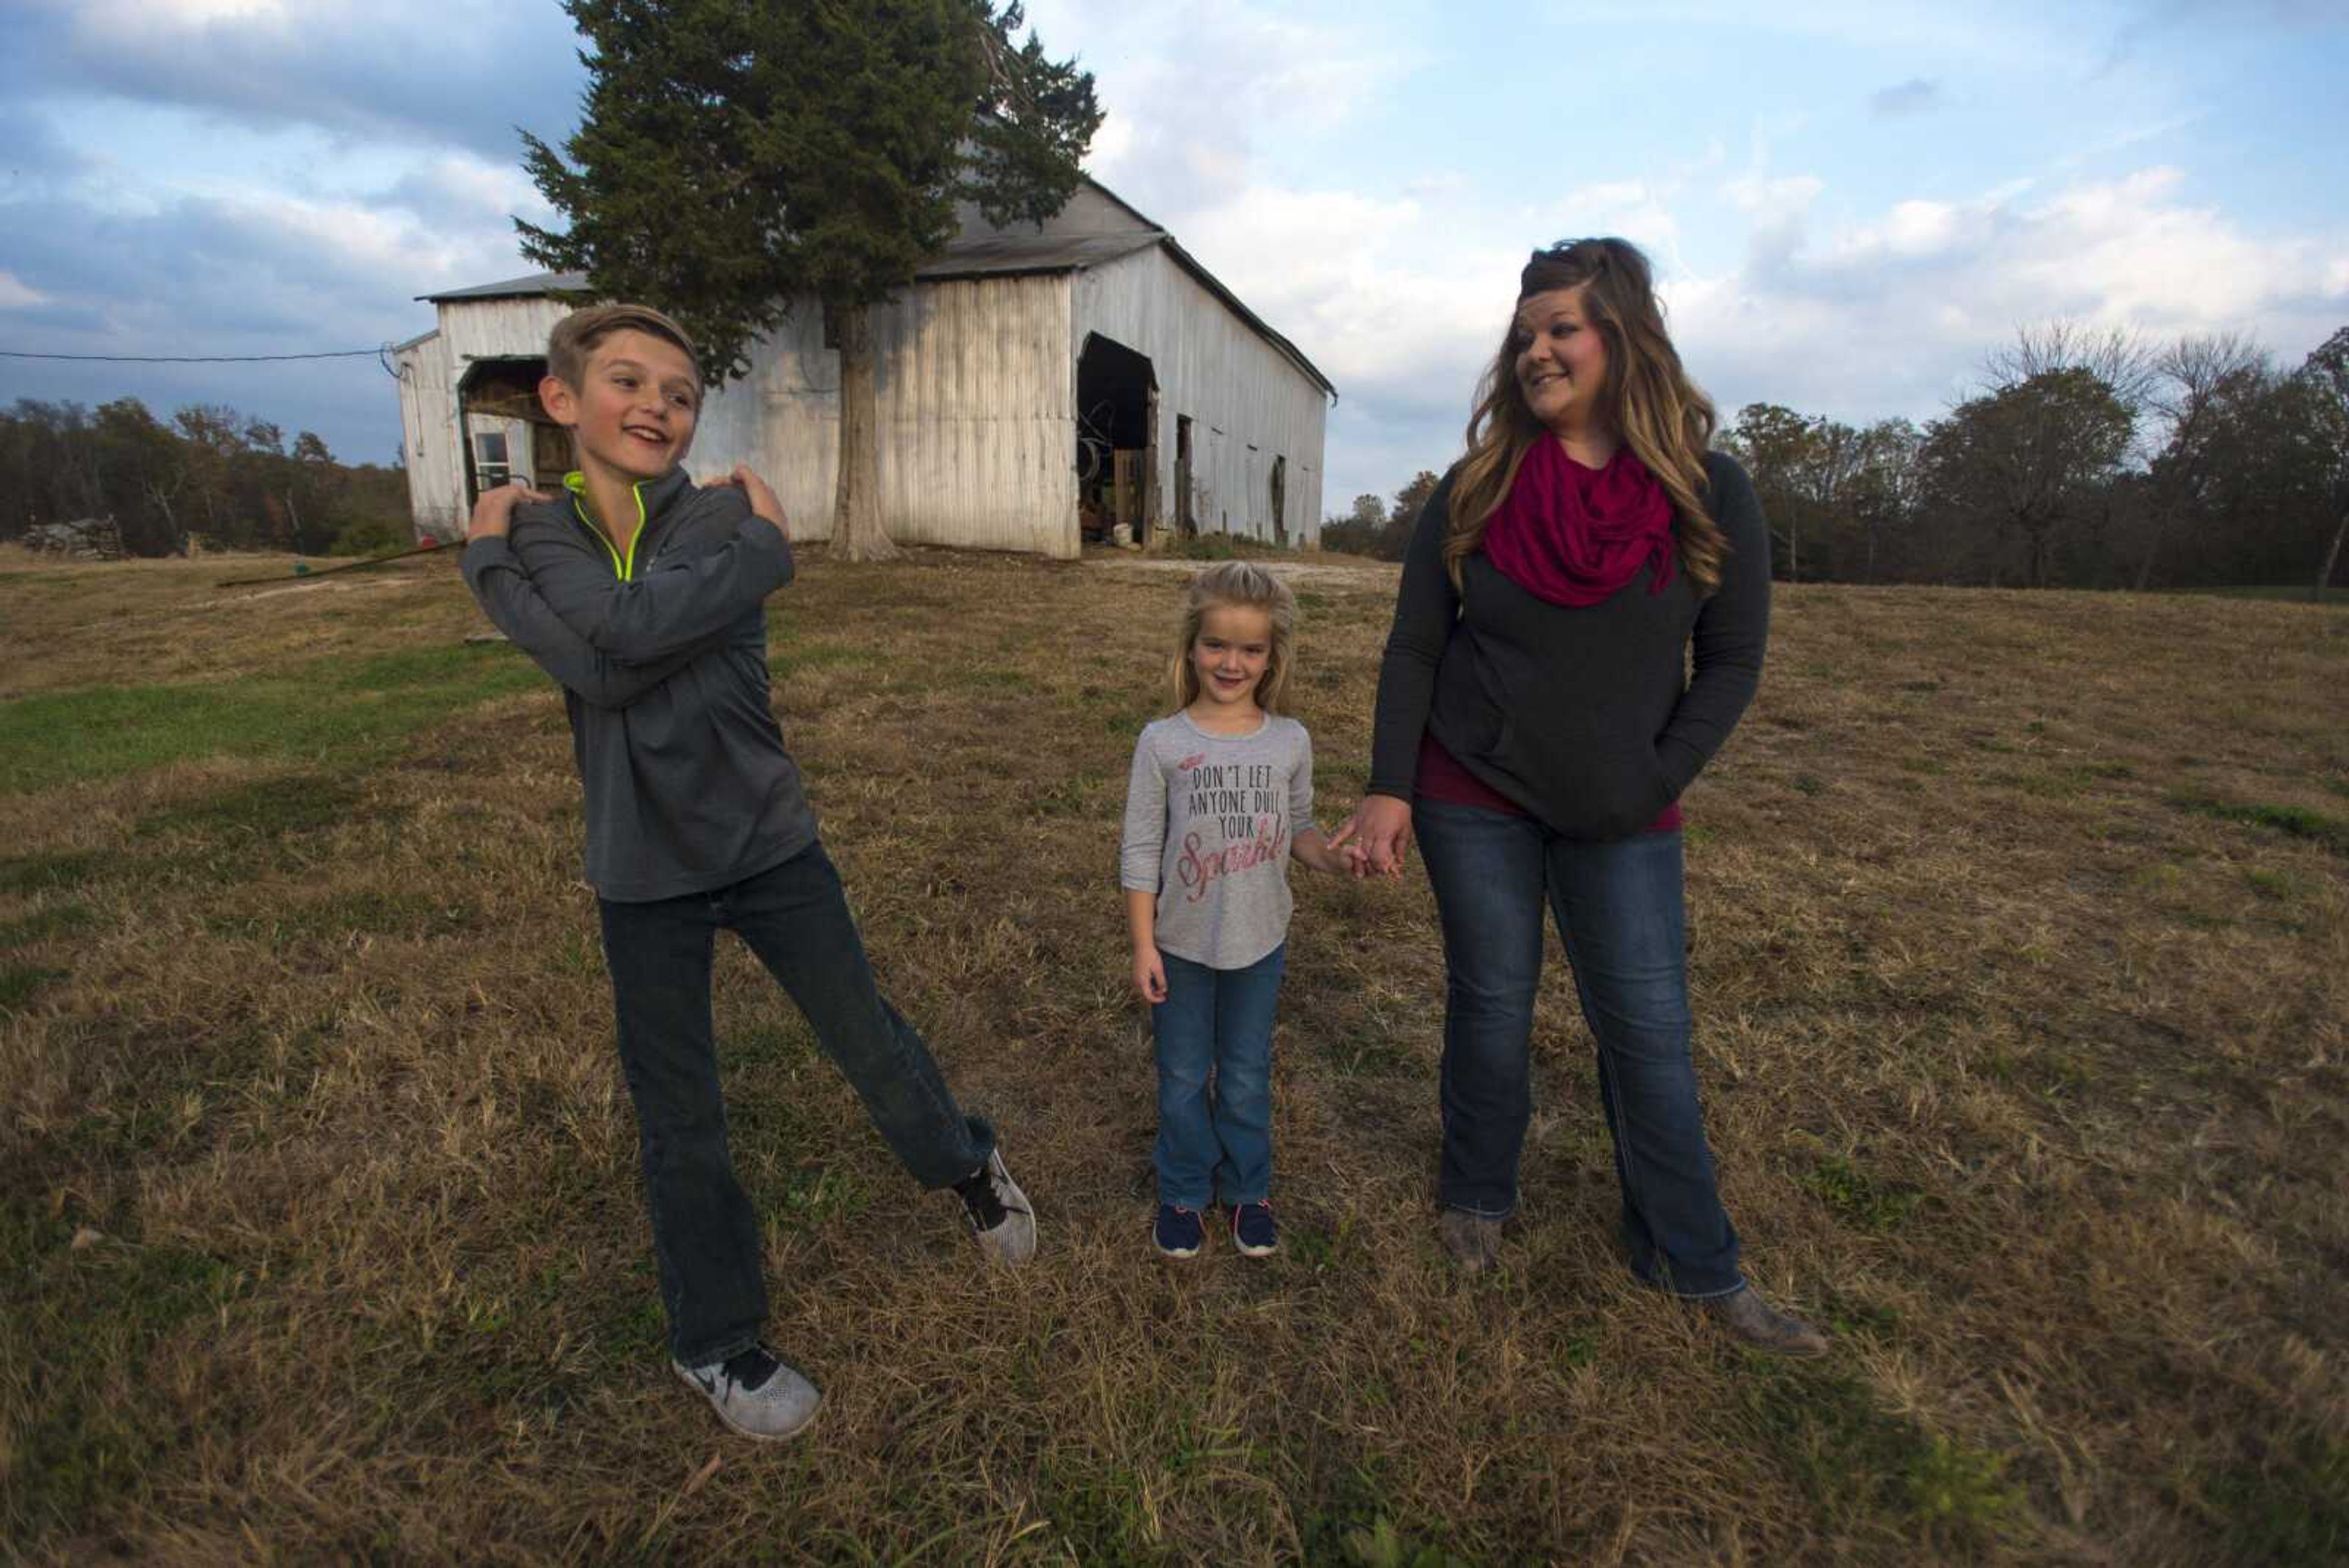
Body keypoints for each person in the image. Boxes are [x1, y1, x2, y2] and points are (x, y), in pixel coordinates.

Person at [461, 303, 1036, 1441]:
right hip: (641, 865)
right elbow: (616, 659)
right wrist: (754, 564)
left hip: (769, 840)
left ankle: (969, 1163)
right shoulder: (542, 532)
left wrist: (711, 567)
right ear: (563, 401)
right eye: (628, 383)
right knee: (682, 1114)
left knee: (867, 1038)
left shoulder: (720, 511)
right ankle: (716, 1340)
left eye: (678, 393)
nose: (657, 408)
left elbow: (608, 643)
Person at [1330, 239, 1826, 1355]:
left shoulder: (1708, 487)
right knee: (1494, 1004)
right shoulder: (1479, 486)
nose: (1537, 348)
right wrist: (1389, 788)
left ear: (1623, 335)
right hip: (1476, 790)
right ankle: (1477, 1195)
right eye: (1525, 333)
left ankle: (1694, 1261)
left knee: (1649, 1030)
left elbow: (1734, 659)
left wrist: (1655, 775)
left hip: (1624, 805)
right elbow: (1416, 647)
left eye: (1562, 326)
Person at [1119, 562, 1362, 1259]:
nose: (1232, 662)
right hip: (1182, 945)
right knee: (1184, 1076)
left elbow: (1302, 833)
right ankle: (1185, 1191)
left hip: (1260, 943)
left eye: (1250, 649)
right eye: (1217, 644)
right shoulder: (1161, 741)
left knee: (1248, 1074)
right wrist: (1144, 945)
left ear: (1271, 656)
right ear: (1191, 645)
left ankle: (1249, 1188)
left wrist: (1338, 858)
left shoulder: (1290, 740)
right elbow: (1140, 852)